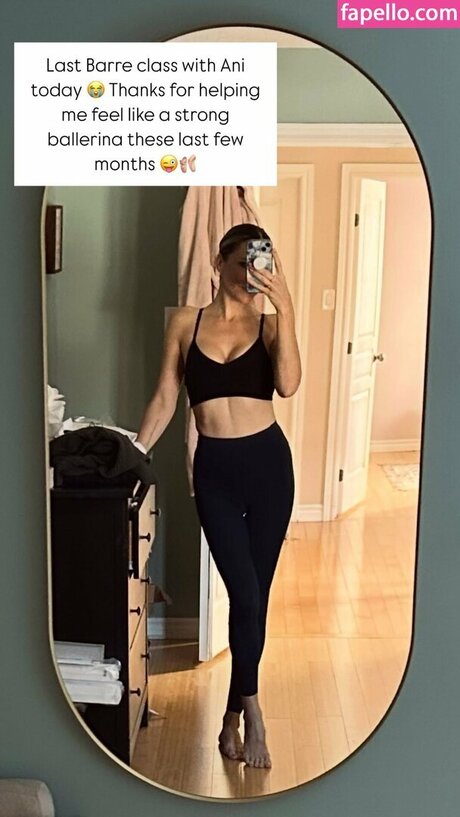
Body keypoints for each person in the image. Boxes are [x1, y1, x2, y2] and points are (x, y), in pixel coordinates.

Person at [134, 223, 302, 769]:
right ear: (219, 262)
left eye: (262, 261)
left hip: (269, 468)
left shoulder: (270, 323)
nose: (254, 272)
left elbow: (289, 384)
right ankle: (248, 712)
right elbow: (166, 395)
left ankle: (239, 714)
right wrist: (133, 453)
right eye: (244, 261)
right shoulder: (186, 322)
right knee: (244, 594)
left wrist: (286, 308)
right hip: (215, 474)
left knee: (256, 597)